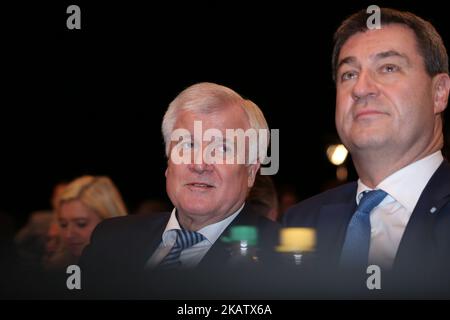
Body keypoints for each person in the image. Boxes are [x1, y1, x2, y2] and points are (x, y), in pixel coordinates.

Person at [283, 8, 450, 296]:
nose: (361, 88)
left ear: (439, 93)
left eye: (388, 68)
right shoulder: (299, 223)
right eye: (349, 74)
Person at [80, 82, 280, 298]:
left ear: (251, 171)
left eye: (222, 149)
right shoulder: (111, 240)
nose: (199, 164)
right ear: (168, 162)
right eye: (187, 145)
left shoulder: (283, 260)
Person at [56, 175, 128, 264]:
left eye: (81, 224)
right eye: (63, 224)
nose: (68, 235)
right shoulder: (56, 268)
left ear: (109, 221)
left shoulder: (133, 267)